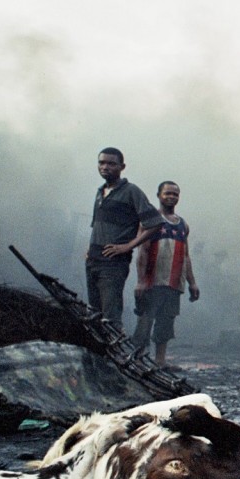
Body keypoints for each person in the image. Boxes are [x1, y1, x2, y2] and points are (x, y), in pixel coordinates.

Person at [86, 147, 163, 330]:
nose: (105, 167)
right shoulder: (100, 191)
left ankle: (115, 348)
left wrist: (128, 246)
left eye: (111, 164)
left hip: (113, 264)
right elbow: (97, 226)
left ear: (122, 167)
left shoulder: (131, 191)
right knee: (94, 314)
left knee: (110, 317)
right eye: (101, 163)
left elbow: (155, 222)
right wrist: (90, 249)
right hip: (93, 261)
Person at [131, 181, 200, 367]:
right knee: (145, 320)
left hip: (174, 282)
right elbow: (142, 251)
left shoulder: (183, 225)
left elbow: (185, 255)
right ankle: (137, 360)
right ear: (159, 195)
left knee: (166, 322)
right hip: (152, 281)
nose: (171, 197)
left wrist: (192, 282)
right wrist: (140, 281)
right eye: (167, 193)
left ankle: (160, 361)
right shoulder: (150, 220)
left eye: (175, 194)